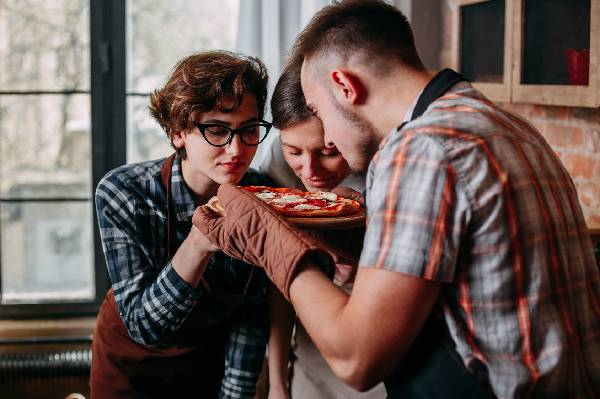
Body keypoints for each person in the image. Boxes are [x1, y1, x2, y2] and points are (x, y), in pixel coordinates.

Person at [192, 1, 600, 398]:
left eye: (317, 108)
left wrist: (272, 241)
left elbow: (356, 361)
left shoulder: (421, 150)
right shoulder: (507, 124)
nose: (328, 137)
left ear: (344, 86)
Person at [91, 51, 274, 398]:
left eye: (249, 130)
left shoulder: (261, 197)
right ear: (178, 133)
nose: (236, 149)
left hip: (208, 366)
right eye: (217, 130)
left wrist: (235, 395)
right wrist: (199, 242)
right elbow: (145, 327)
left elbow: (250, 315)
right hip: (130, 370)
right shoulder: (123, 193)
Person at [265, 61, 386, 399]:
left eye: (328, 151)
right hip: (311, 356)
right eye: (294, 151)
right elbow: (278, 278)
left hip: (384, 353)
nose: (311, 171)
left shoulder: (388, 164)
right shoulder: (278, 161)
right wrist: (277, 383)